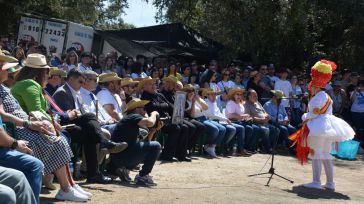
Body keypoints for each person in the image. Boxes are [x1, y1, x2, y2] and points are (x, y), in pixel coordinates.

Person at [9, 54, 91, 201]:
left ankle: (69, 185)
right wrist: (55, 124)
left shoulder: (26, 83)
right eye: (47, 71)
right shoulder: (29, 84)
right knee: (59, 141)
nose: (49, 74)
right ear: (40, 72)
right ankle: (66, 187)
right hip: (23, 128)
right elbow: (36, 111)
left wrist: (55, 124)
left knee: (60, 139)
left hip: (27, 126)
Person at [289, 60, 355, 190]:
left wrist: (304, 117)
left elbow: (313, 113)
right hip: (328, 127)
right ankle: (330, 183)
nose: (310, 87)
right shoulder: (327, 96)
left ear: (315, 86)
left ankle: (316, 181)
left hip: (318, 128)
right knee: (326, 154)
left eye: (311, 85)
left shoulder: (318, 97)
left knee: (316, 154)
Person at [53, 68, 124, 184]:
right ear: (71, 79)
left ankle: (93, 174)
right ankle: (103, 143)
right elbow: (67, 116)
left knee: (91, 134)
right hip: (64, 126)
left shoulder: (76, 92)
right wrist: (79, 114)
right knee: (90, 118)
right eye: (80, 82)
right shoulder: (63, 92)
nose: (82, 85)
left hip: (75, 124)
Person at [108, 99, 161, 186]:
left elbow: (146, 144)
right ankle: (142, 176)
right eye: (143, 108)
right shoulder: (132, 116)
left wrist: (153, 131)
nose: (145, 111)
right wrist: (154, 113)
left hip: (118, 158)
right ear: (136, 109)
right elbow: (150, 122)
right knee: (156, 145)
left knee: (152, 146)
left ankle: (122, 169)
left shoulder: (131, 121)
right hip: (122, 156)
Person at [140, 76, 187, 161]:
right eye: (151, 84)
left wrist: (162, 106)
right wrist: (163, 105)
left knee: (182, 127)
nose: (154, 86)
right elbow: (152, 107)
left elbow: (168, 105)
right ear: (144, 87)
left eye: (154, 84)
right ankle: (166, 154)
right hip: (156, 122)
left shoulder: (158, 95)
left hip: (166, 120)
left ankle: (176, 153)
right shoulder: (145, 96)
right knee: (176, 128)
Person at [186, 88, 225, 158]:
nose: (191, 93)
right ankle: (206, 146)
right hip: (197, 119)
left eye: (193, 91)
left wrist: (198, 100)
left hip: (205, 118)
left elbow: (206, 107)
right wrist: (193, 102)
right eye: (189, 92)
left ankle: (211, 146)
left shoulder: (197, 98)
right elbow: (192, 115)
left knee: (222, 129)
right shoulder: (187, 102)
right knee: (215, 129)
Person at [225, 87, 257, 154]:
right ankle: (240, 149)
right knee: (242, 128)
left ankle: (245, 147)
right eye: (237, 94)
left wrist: (247, 118)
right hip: (231, 121)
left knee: (251, 128)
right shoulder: (231, 103)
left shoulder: (241, 104)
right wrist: (242, 116)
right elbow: (231, 116)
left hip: (240, 121)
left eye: (240, 95)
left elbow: (241, 116)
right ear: (233, 95)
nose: (239, 96)